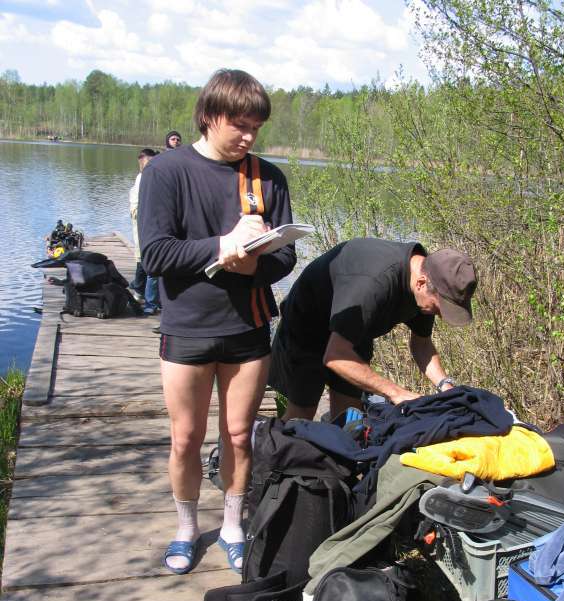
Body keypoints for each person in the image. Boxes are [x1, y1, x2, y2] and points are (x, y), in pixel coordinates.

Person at [138, 69, 296, 575]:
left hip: (247, 331)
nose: (248, 137)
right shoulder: (167, 172)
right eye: (239, 125)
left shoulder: (267, 178)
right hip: (186, 327)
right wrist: (223, 246)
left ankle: (232, 525)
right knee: (185, 438)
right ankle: (186, 527)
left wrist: (257, 261)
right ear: (208, 116)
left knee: (239, 434)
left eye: (256, 128)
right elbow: (155, 253)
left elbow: (286, 256)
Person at [268, 238, 477, 421]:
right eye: (440, 307)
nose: (440, 314)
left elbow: (421, 345)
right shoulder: (375, 284)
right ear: (422, 283)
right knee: (300, 416)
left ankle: (338, 459)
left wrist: (446, 387)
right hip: (309, 324)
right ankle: (275, 459)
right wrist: (396, 393)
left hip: (355, 329)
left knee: (349, 418)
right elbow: (335, 356)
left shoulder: (428, 282)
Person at [129, 148, 159, 305]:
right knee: (144, 260)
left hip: (150, 224)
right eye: (148, 163)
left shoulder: (152, 177)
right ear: (142, 163)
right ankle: (143, 296)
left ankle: (140, 292)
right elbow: (136, 207)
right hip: (143, 223)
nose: (151, 166)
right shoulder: (142, 178)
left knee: (143, 260)